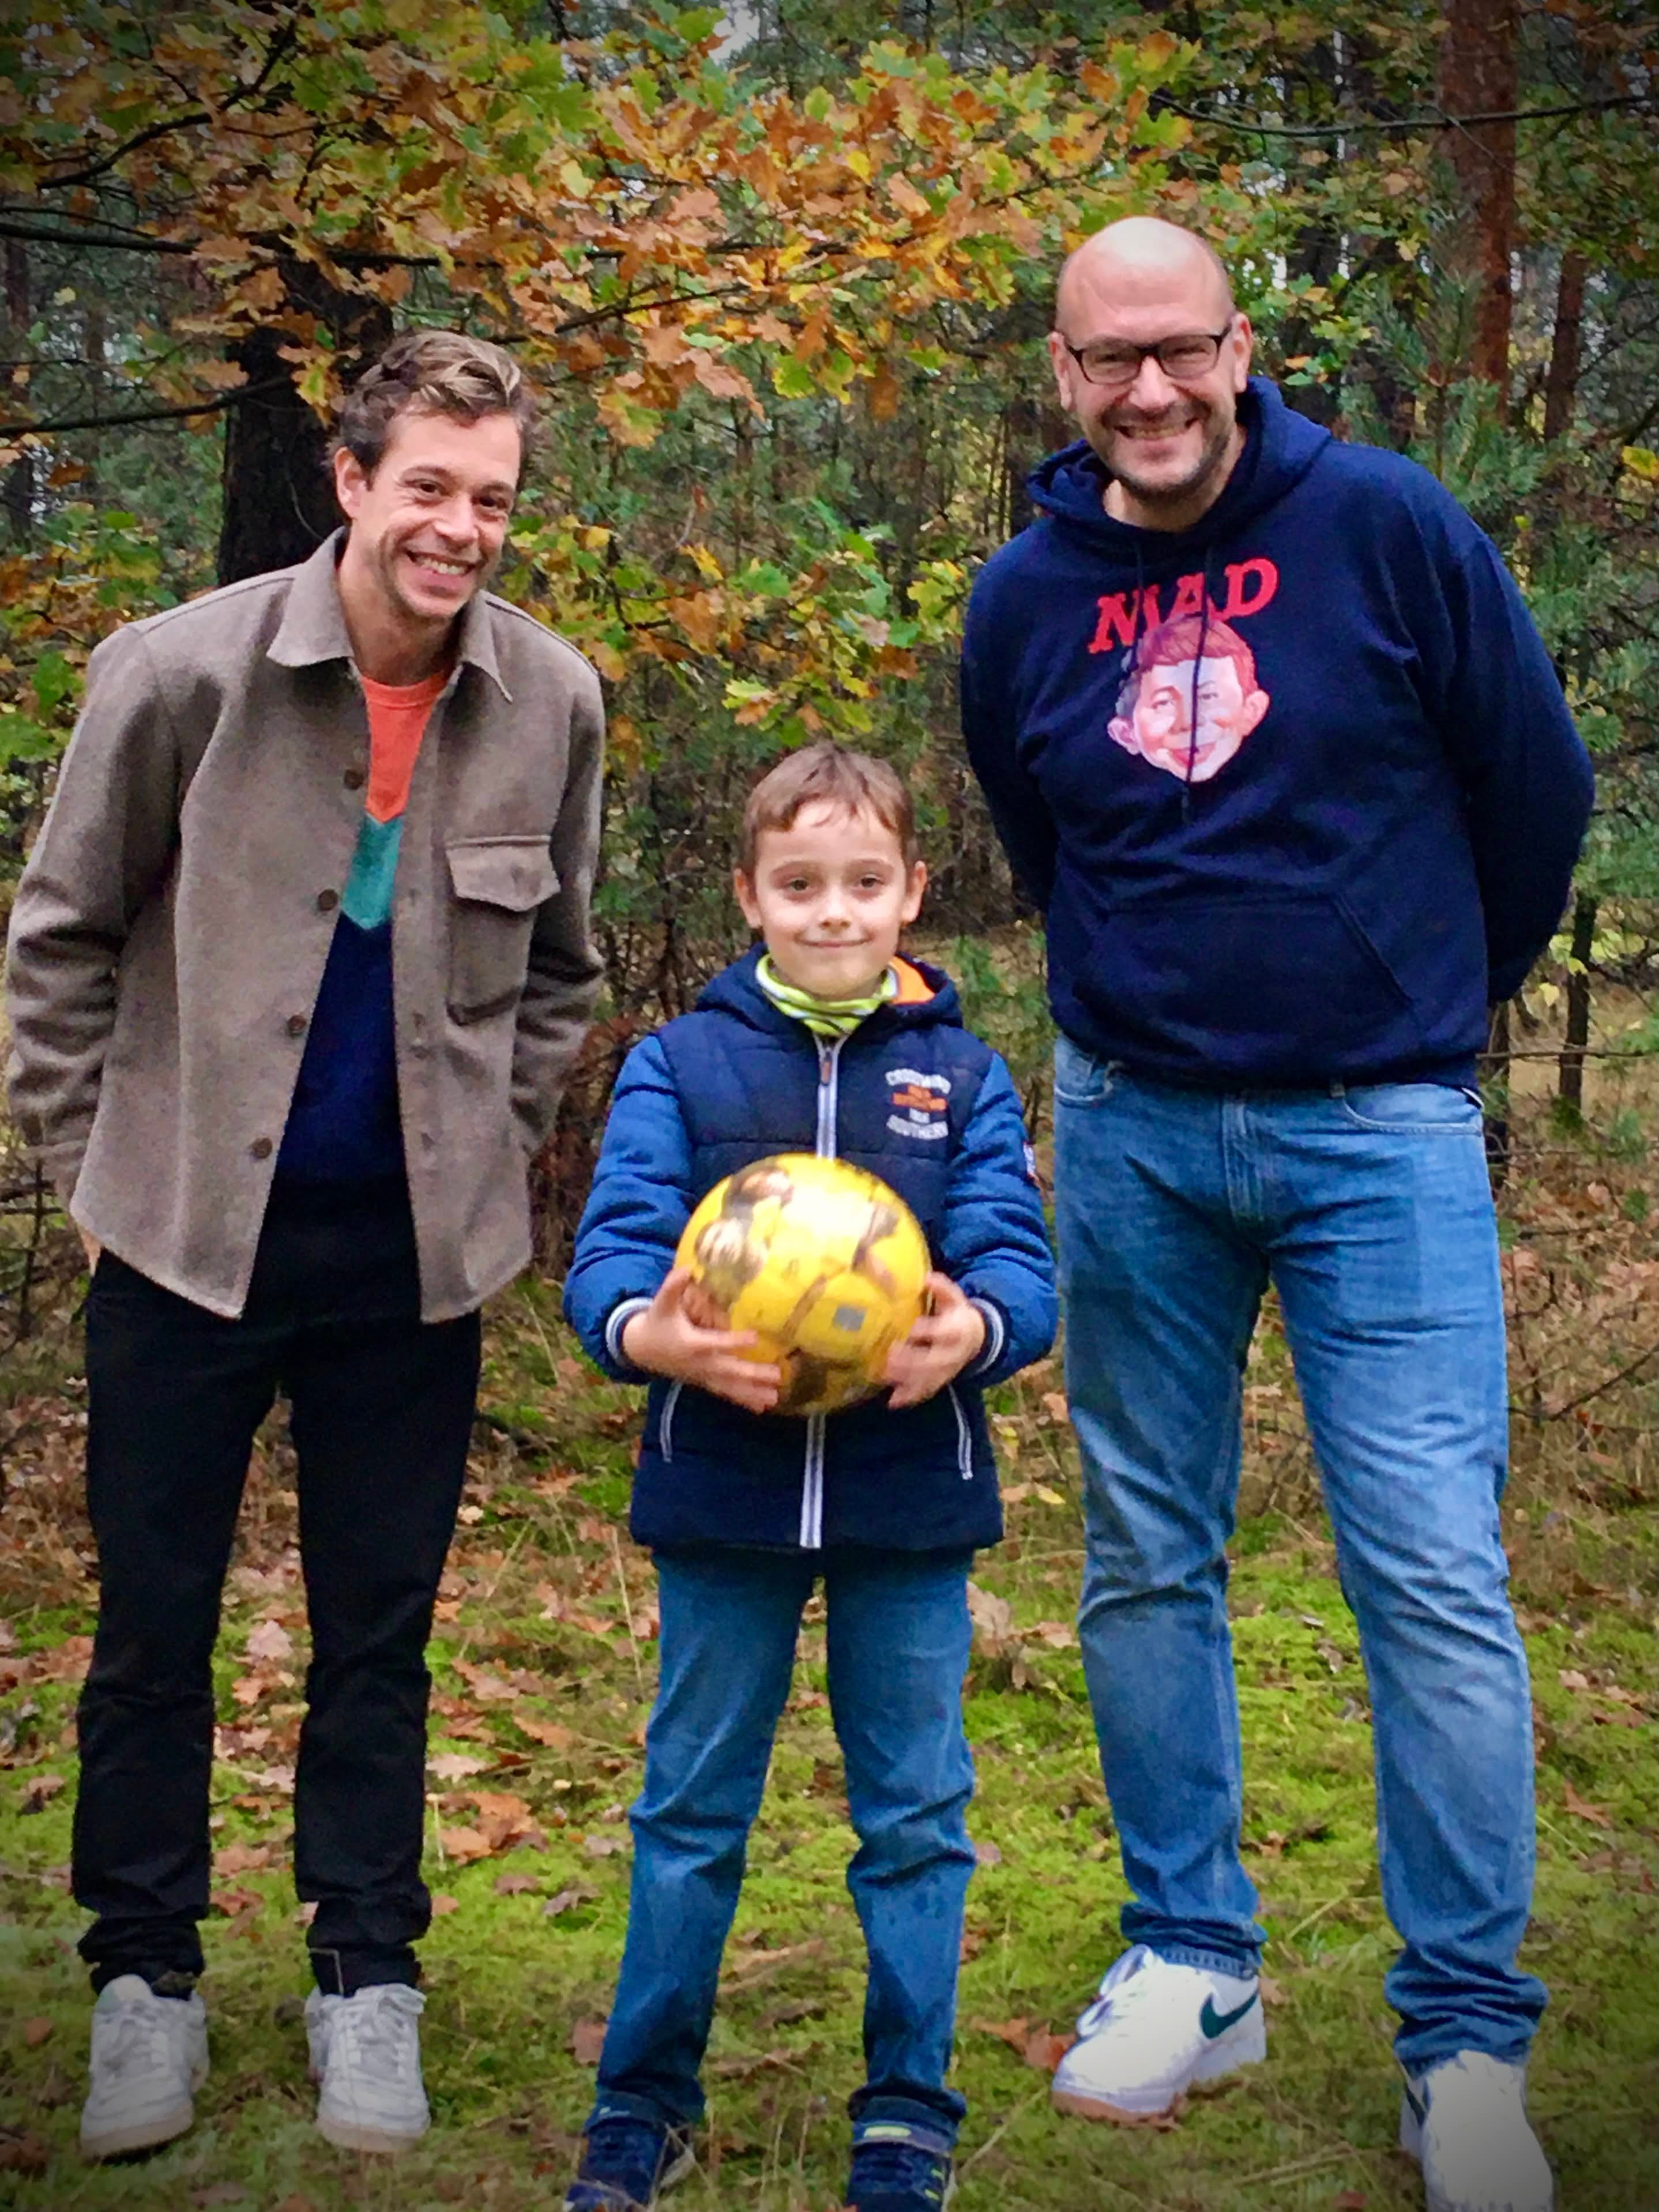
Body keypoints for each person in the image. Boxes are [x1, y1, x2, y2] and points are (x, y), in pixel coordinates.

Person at [960, 216, 1593, 2212]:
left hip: (1372, 1134)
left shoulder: (1385, 528)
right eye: (1101, 361)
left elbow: (1533, 794)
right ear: (1059, 376)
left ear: (1239, 344)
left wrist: (1403, 1004)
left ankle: (1463, 2045)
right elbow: (1036, 827)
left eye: (1177, 349)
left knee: (1422, 1567)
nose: (1143, 392)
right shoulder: (1020, 597)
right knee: (1145, 1553)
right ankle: (1189, 1957)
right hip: (1132, 1129)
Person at [4, 330, 605, 2159]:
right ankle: (144, 1983)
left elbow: (560, 977)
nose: (459, 526)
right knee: (152, 1629)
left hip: (404, 1270)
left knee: (379, 1633)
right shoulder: (177, 676)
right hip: (186, 1247)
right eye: (427, 484)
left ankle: (367, 1978)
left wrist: (491, 1162)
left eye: (491, 496)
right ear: (351, 481)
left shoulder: (552, 700)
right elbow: (59, 946)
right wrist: (100, 1169)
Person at [562, 743, 1057, 2212]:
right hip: (721, 1494)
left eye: (861, 883)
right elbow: (610, 1249)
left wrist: (971, 1328)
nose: (830, 913)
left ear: (911, 891)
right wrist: (652, 1334)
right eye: (797, 885)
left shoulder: (962, 1076)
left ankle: (906, 2107)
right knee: (690, 1806)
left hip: (910, 1504)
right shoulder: (679, 1062)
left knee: (911, 1811)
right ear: (749, 896)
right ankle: (641, 2101)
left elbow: (1021, 1267)